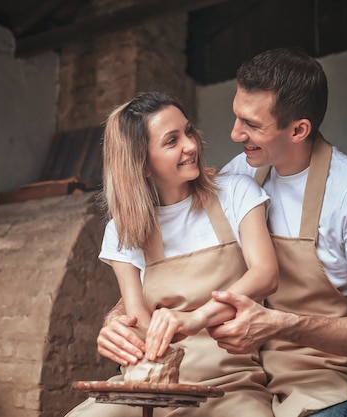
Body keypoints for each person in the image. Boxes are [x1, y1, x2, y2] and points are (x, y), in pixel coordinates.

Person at [96, 48, 347, 417]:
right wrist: (117, 319)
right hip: (251, 376)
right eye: (236, 117)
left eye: (251, 125)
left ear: (298, 130)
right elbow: (159, 269)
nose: (233, 134)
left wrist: (280, 325)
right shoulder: (238, 176)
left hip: (322, 378)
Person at [65, 91, 278, 417]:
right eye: (171, 141)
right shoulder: (124, 230)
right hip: (151, 382)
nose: (191, 145)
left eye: (188, 131)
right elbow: (138, 319)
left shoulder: (235, 193)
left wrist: (196, 318)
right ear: (143, 164)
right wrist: (117, 331)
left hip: (230, 380)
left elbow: (264, 274)